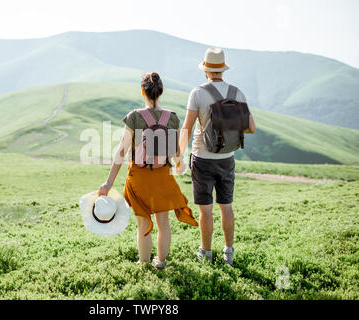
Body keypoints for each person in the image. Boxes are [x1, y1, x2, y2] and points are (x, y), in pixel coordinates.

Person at [98, 72, 198, 270]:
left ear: (143, 91)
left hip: (139, 178)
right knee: (164, 224)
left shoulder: (135, 117)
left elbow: (121, 151)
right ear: (160, 92)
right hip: (163, 177)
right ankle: (160, 262)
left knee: (143, 225)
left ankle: (143, 263)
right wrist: (179, 166)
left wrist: (108, 183)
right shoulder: (172, 118)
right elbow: (177, 154)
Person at [177, 48, 256, 266]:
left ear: (205, 70)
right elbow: (250, 127)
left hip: (202, 158)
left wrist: (179, 157)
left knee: (206, 209)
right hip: (227, 158)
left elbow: (187, 128)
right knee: (226, 206)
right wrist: (228, 126)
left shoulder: (198, 93)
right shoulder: (237, 93)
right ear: (222, 69)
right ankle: (228, 254)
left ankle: (206, 253)